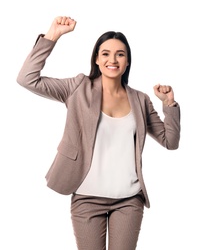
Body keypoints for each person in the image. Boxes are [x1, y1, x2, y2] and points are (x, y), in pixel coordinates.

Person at [17, 16, 181, 250]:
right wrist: (52, 35)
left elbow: (170, 141)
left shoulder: (140, 100)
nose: (112, 59)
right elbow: (27, 79)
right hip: (86, 198)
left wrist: (170, 105)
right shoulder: (77, 87)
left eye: (120, 54)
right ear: (96, 58)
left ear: (127, 62)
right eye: (105, 53)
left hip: (128, 200)